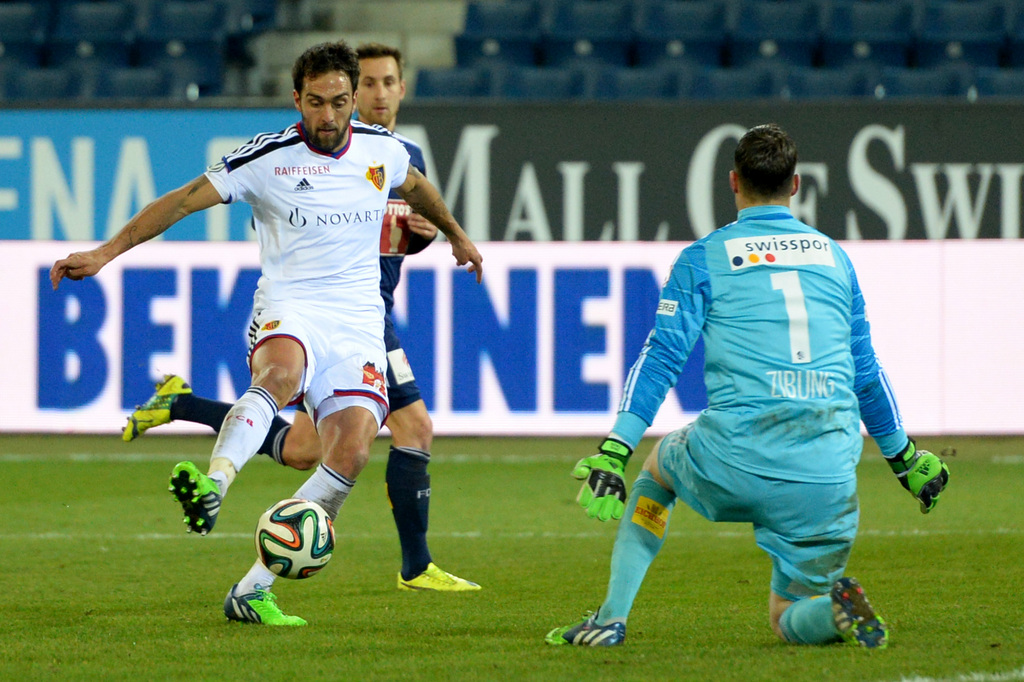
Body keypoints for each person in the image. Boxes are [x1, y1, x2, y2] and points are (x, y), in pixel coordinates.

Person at [50, 41, 484, 627]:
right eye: (313, 103)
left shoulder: (385, 150)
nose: (325, 117)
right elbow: (181, 201)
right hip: (291, 304)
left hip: (358, 323)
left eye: (336, 103)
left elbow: (417, 188)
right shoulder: (268, 156)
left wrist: (457, 235)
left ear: (353, 100)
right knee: (278, 376)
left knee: (349, 452)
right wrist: (105, 253)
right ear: (296, 98)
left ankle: (251, 591)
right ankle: (215, 483)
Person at [544, 124, 949, 649]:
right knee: (790, 615)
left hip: (738, 457)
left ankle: (610, 618)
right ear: (797, 185)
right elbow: (865, 373)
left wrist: (615, 448)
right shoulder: (835, 258)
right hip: (827, 473)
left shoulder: (703, 258)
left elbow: (662, 356)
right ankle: (834, 612)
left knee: (656, 472)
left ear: (733, 183)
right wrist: (904, 459)